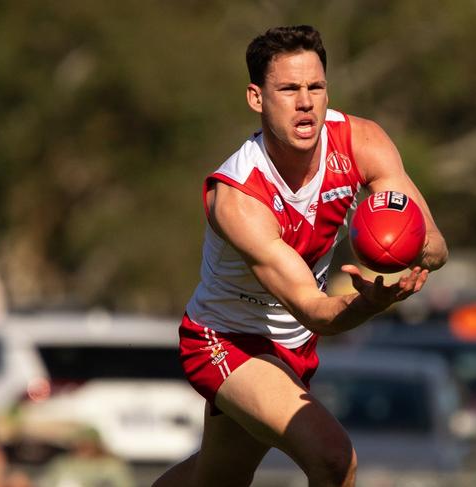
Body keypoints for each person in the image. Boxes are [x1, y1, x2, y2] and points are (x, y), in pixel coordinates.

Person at [153, 25, 448, 487]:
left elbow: (434, 244)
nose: (305, 101)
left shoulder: (360, 143)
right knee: (334, 458)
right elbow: (316, 310)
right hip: (226, 340)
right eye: (288, 89)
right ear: (257, 98)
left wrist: (405, 248)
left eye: (315, 87)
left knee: (215, 480)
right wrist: (370, 302)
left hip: (292, 347)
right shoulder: (239, 198)